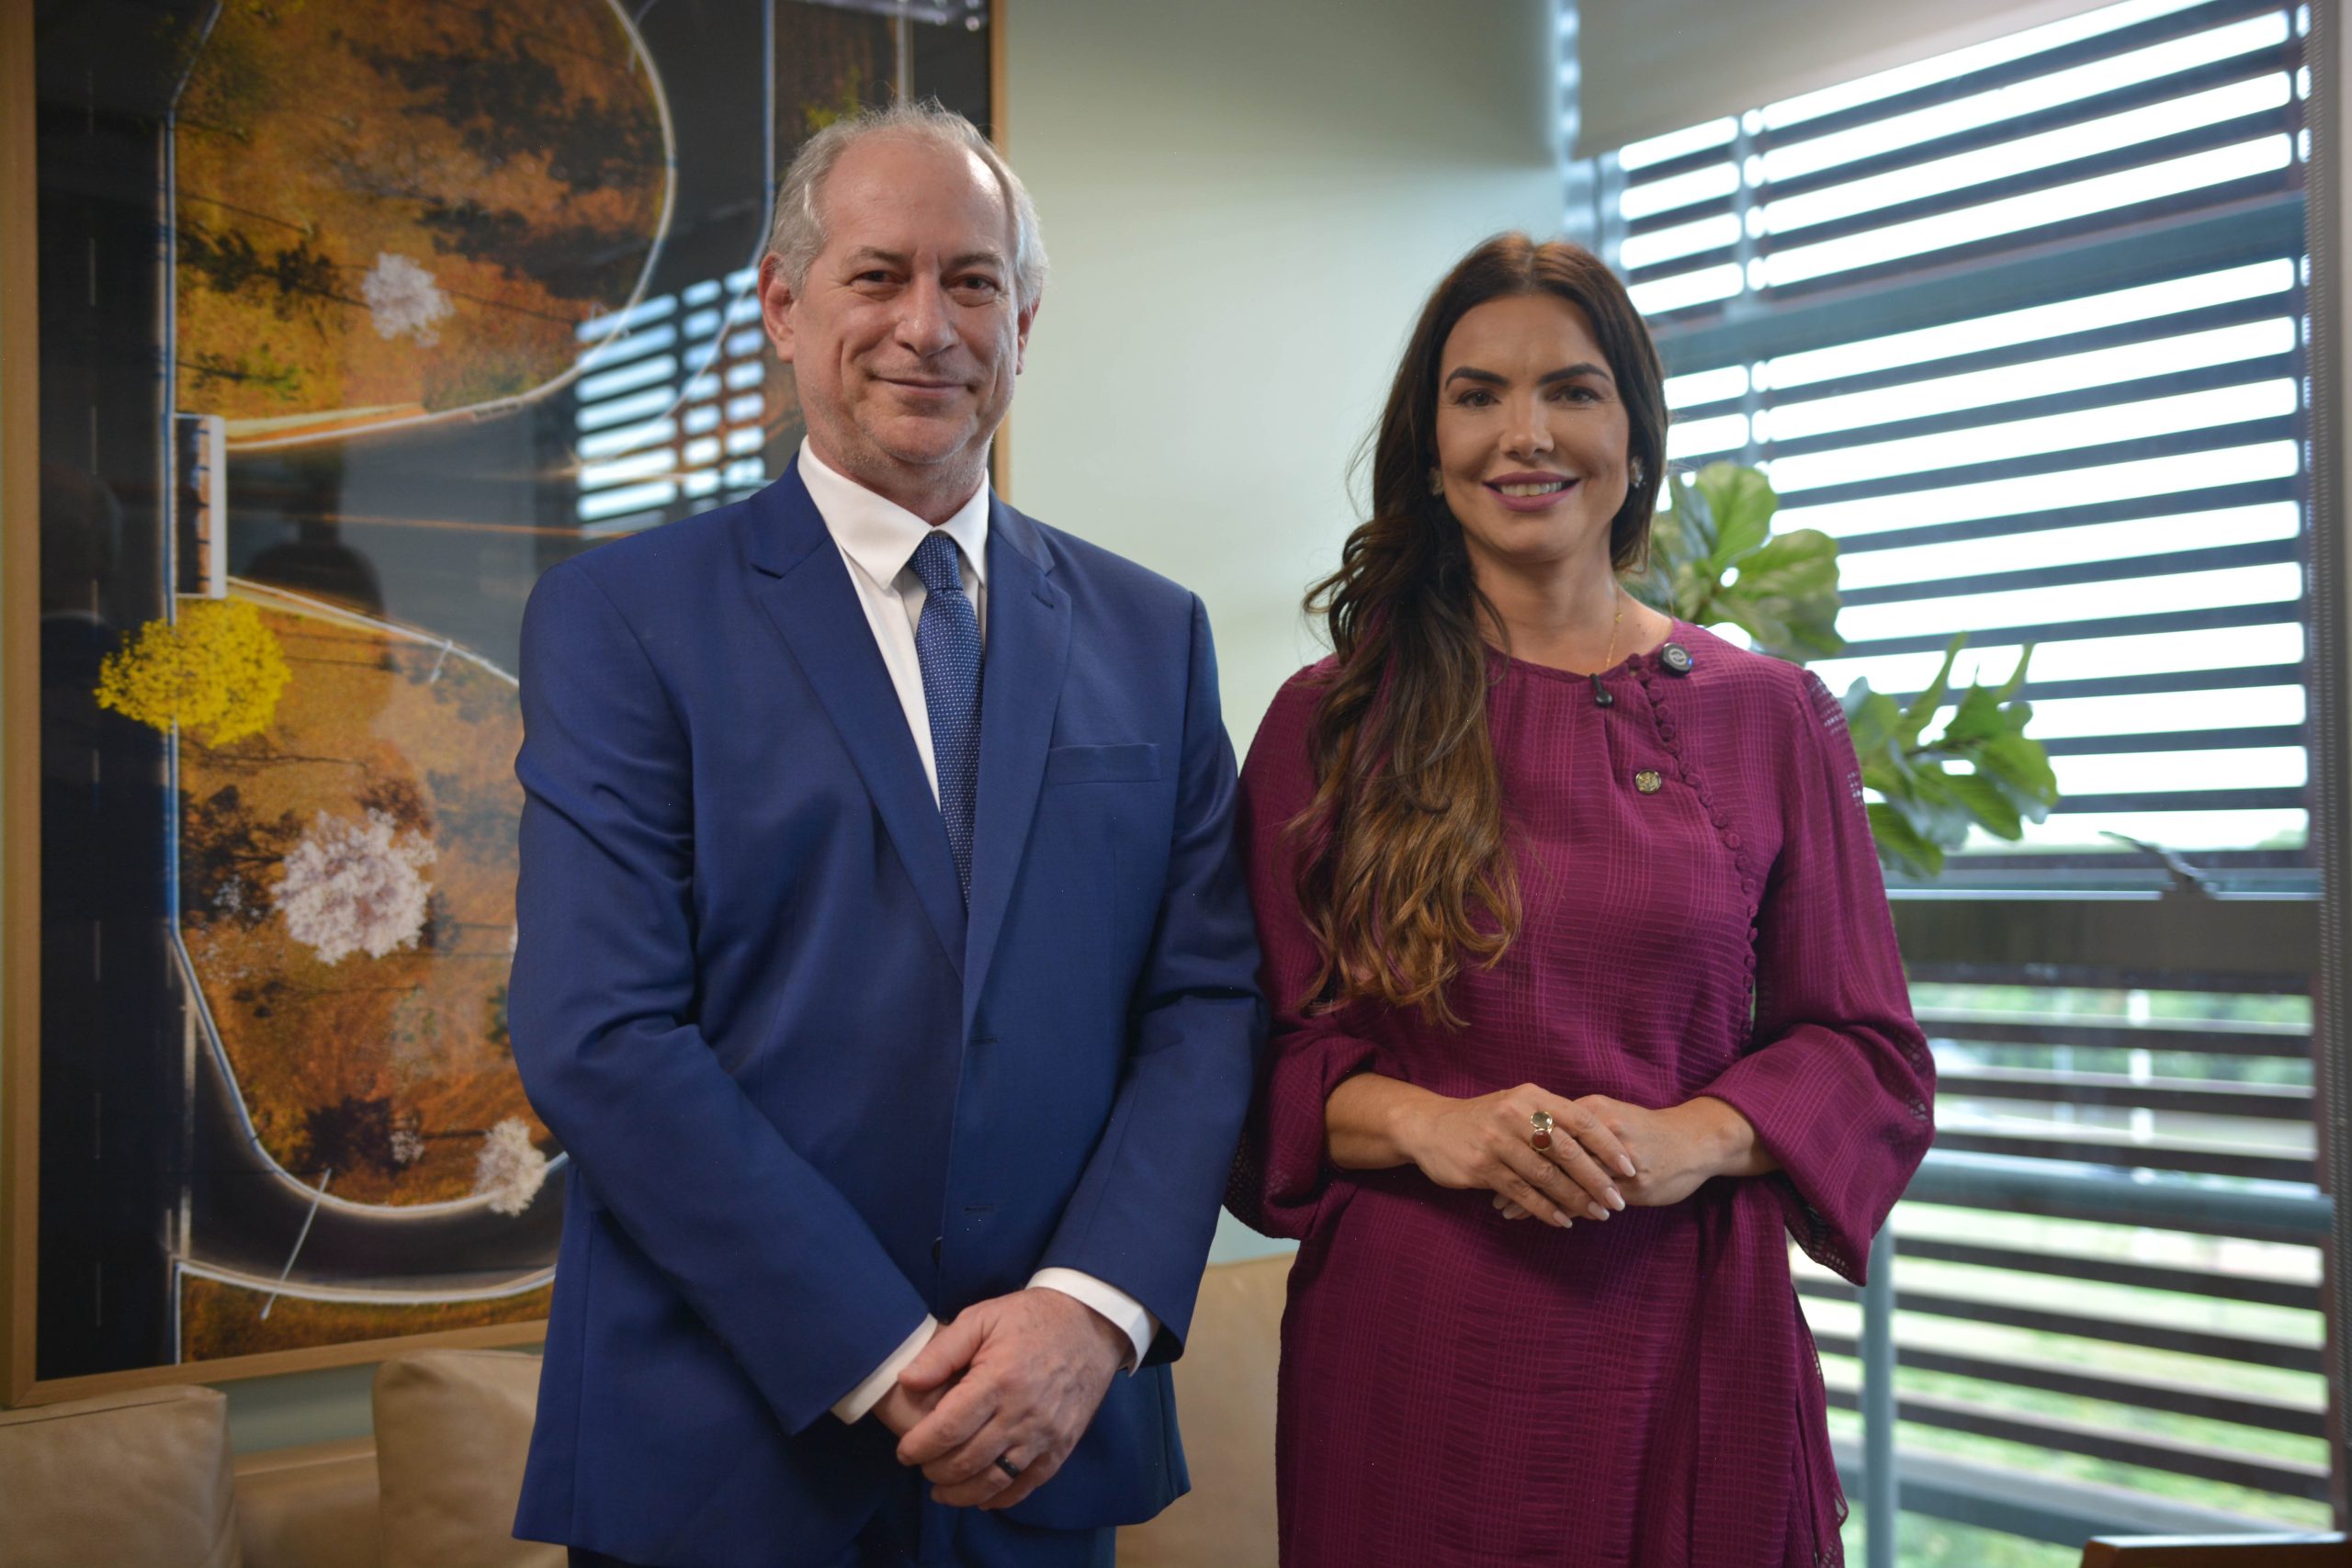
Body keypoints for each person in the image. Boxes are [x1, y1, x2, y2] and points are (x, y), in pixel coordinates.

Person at [509, 102, 1261, 1568]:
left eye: (973, 281)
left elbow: (1207, 1001)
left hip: (1045, 1440)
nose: (929, 326)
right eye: (878, 276)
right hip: (725, 1457)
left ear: (1022, 324)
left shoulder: (1152, 634)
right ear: (783, 307)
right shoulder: (622, 621)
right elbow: (600, 1034)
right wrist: (882, 1352)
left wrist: (1088, 1313)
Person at [1227, 232, 1934, 1566]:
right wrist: (1435, 1125)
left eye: (1571, 390)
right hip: (1416, 1366)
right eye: (1478, 394)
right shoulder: (1329, 725)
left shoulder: (1771, 716)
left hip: (1695, 1344)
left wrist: (1694, 1139)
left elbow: (1870, 1057)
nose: (1525, 434)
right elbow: (1244, 1066)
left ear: (1635, 433)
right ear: (1430, 443)